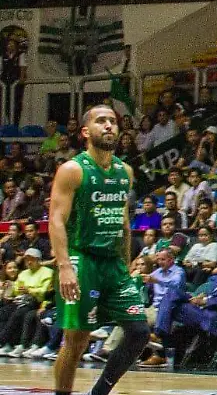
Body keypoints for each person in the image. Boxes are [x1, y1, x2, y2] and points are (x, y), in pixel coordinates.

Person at [45, 104, 149, 395]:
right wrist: (64, 266)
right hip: (82, 258)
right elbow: (55, 220)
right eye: (100, 121)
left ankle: (99, 392)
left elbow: (125, 222)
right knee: (77, 340)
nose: (108, 126)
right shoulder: (72, 170)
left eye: (113, 121)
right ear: (85, 131)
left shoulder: (125, 171)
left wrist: (127, 264)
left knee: (139, 332)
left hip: (113, 264)